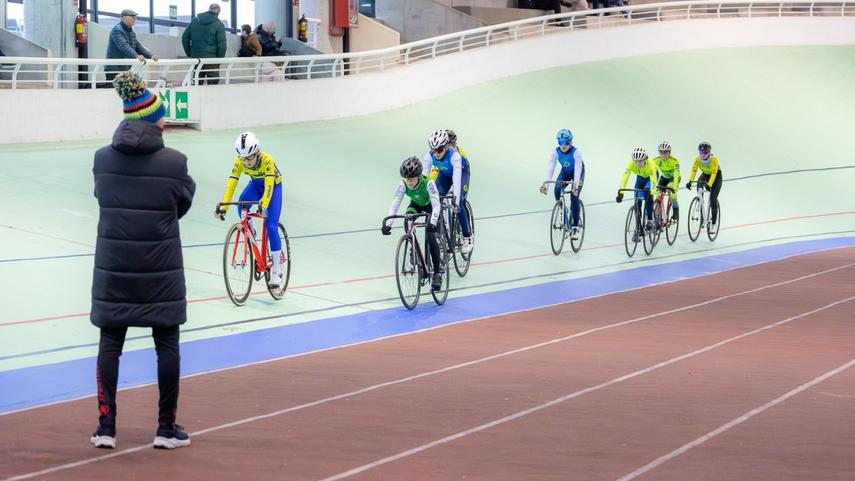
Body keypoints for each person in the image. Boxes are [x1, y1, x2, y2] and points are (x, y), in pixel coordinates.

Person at [90, 72, 195, 450]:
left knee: (110, 341)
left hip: (114, 266)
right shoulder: (175, 161)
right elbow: (182, 203)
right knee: (166, 342)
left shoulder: (102, 159)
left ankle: (106, 427)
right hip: (160, 268)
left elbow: (102, 197)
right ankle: (166, 428)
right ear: (153, 120)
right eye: (162, 116)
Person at [215, 132, 286, 287]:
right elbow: (231, 184)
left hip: (273, 188)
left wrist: (264, 205)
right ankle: (250, 231)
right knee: (241, 204)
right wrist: (224, 207)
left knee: (271, 226)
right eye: (243, 158)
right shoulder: (240, 161)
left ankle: (277, 270)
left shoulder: (268, 161)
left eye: (249, 158)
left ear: (257, 152)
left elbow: (269, 187)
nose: (246, 162)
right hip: (255, 185)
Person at [383, 156, 443, 291]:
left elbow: (437, 205)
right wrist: (389, 222)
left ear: (419, 176)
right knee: (407, 221)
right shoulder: (402, 184)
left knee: (430, 235)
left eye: (411, 177)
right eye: (406, 178)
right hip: (415, 205)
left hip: (431, 207)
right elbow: (395, 203)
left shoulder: (428, 183)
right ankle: (414, 248)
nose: (409, 181)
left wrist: (433, 222)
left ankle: (437, 273)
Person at [422, 130, 473, 254]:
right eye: (433, 150)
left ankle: (467, 236)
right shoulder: (429, 156)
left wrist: (455, 199)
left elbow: (456, 179)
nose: (436, 153)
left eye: (439, 150)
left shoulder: (455, 156)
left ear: (445, 147)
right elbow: (424, 179)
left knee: (459, 204)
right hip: (444, 174)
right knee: (436, 198)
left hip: (461, 173)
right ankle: (441, 230)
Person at [540, 129, 585, 239]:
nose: (562, 146)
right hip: (565, 172)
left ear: (570, 142)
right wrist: (545, 185)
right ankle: (562, 209)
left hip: (578, 174)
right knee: (557, 189)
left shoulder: (576, 153)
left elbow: (578, 170)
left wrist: (575, 186)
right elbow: (550, 169)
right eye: (560, 143)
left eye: (565, 143)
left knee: (574, 196)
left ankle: (575, 227)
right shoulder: (555, 152)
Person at [104, 10, 159, 85]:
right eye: (132, 17)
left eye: (135, 17)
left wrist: (151, 55)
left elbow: (138, 47)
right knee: (113, 93)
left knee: (123, 93)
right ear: (123, 18)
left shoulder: (131, 32)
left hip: (124, 68)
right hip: (114, 69)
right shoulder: (117, 30)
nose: (135, 19)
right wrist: (136, 55)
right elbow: (123, 46)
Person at [617, 147, 659, 234]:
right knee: (637, 200)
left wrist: (652, 192)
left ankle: (650, 220)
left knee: (648, 196)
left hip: (650, 178)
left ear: (645, 159)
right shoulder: (631, 164)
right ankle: (639, 226)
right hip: (640, 178)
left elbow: (654, 179)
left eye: (640, 161)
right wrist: (621, 193)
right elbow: (625, 176)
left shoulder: (650, 164)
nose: (638, 163)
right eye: (636, 161)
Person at [182, 3, 227, 85]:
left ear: (208, 9)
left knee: (197, 82)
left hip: (197, 58)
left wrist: (190, 53)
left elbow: (184, 38)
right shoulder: (219, 24)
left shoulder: (195, 21)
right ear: (218, 13)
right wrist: (220, 59)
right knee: (213, 84)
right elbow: (222, 46)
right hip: (212, 59)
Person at [686, 141, 722, 228]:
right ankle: (700, 201)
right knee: (699, 183)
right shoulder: (697, 160)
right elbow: (694, 171)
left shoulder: (714, 160)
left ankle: (713, 223)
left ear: (709, 152)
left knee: (713, 199)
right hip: (705, 175)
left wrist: (709, 185)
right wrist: (690, 181)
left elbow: (713, 173)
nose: (703, 155)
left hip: (716, 177)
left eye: (705, 152)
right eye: (701, 152)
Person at [652, 140, 680, 221]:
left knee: (670, 191)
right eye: (661, 152)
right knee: (658, 196)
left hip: (673, 178)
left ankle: (676, 213)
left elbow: (676, 174)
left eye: (665, 152)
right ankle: (657, 219)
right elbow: (653, 173)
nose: (663, 154)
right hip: (664, 177)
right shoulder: (656, 160)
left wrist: (674, 188)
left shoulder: (674, 161)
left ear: (669, 152)